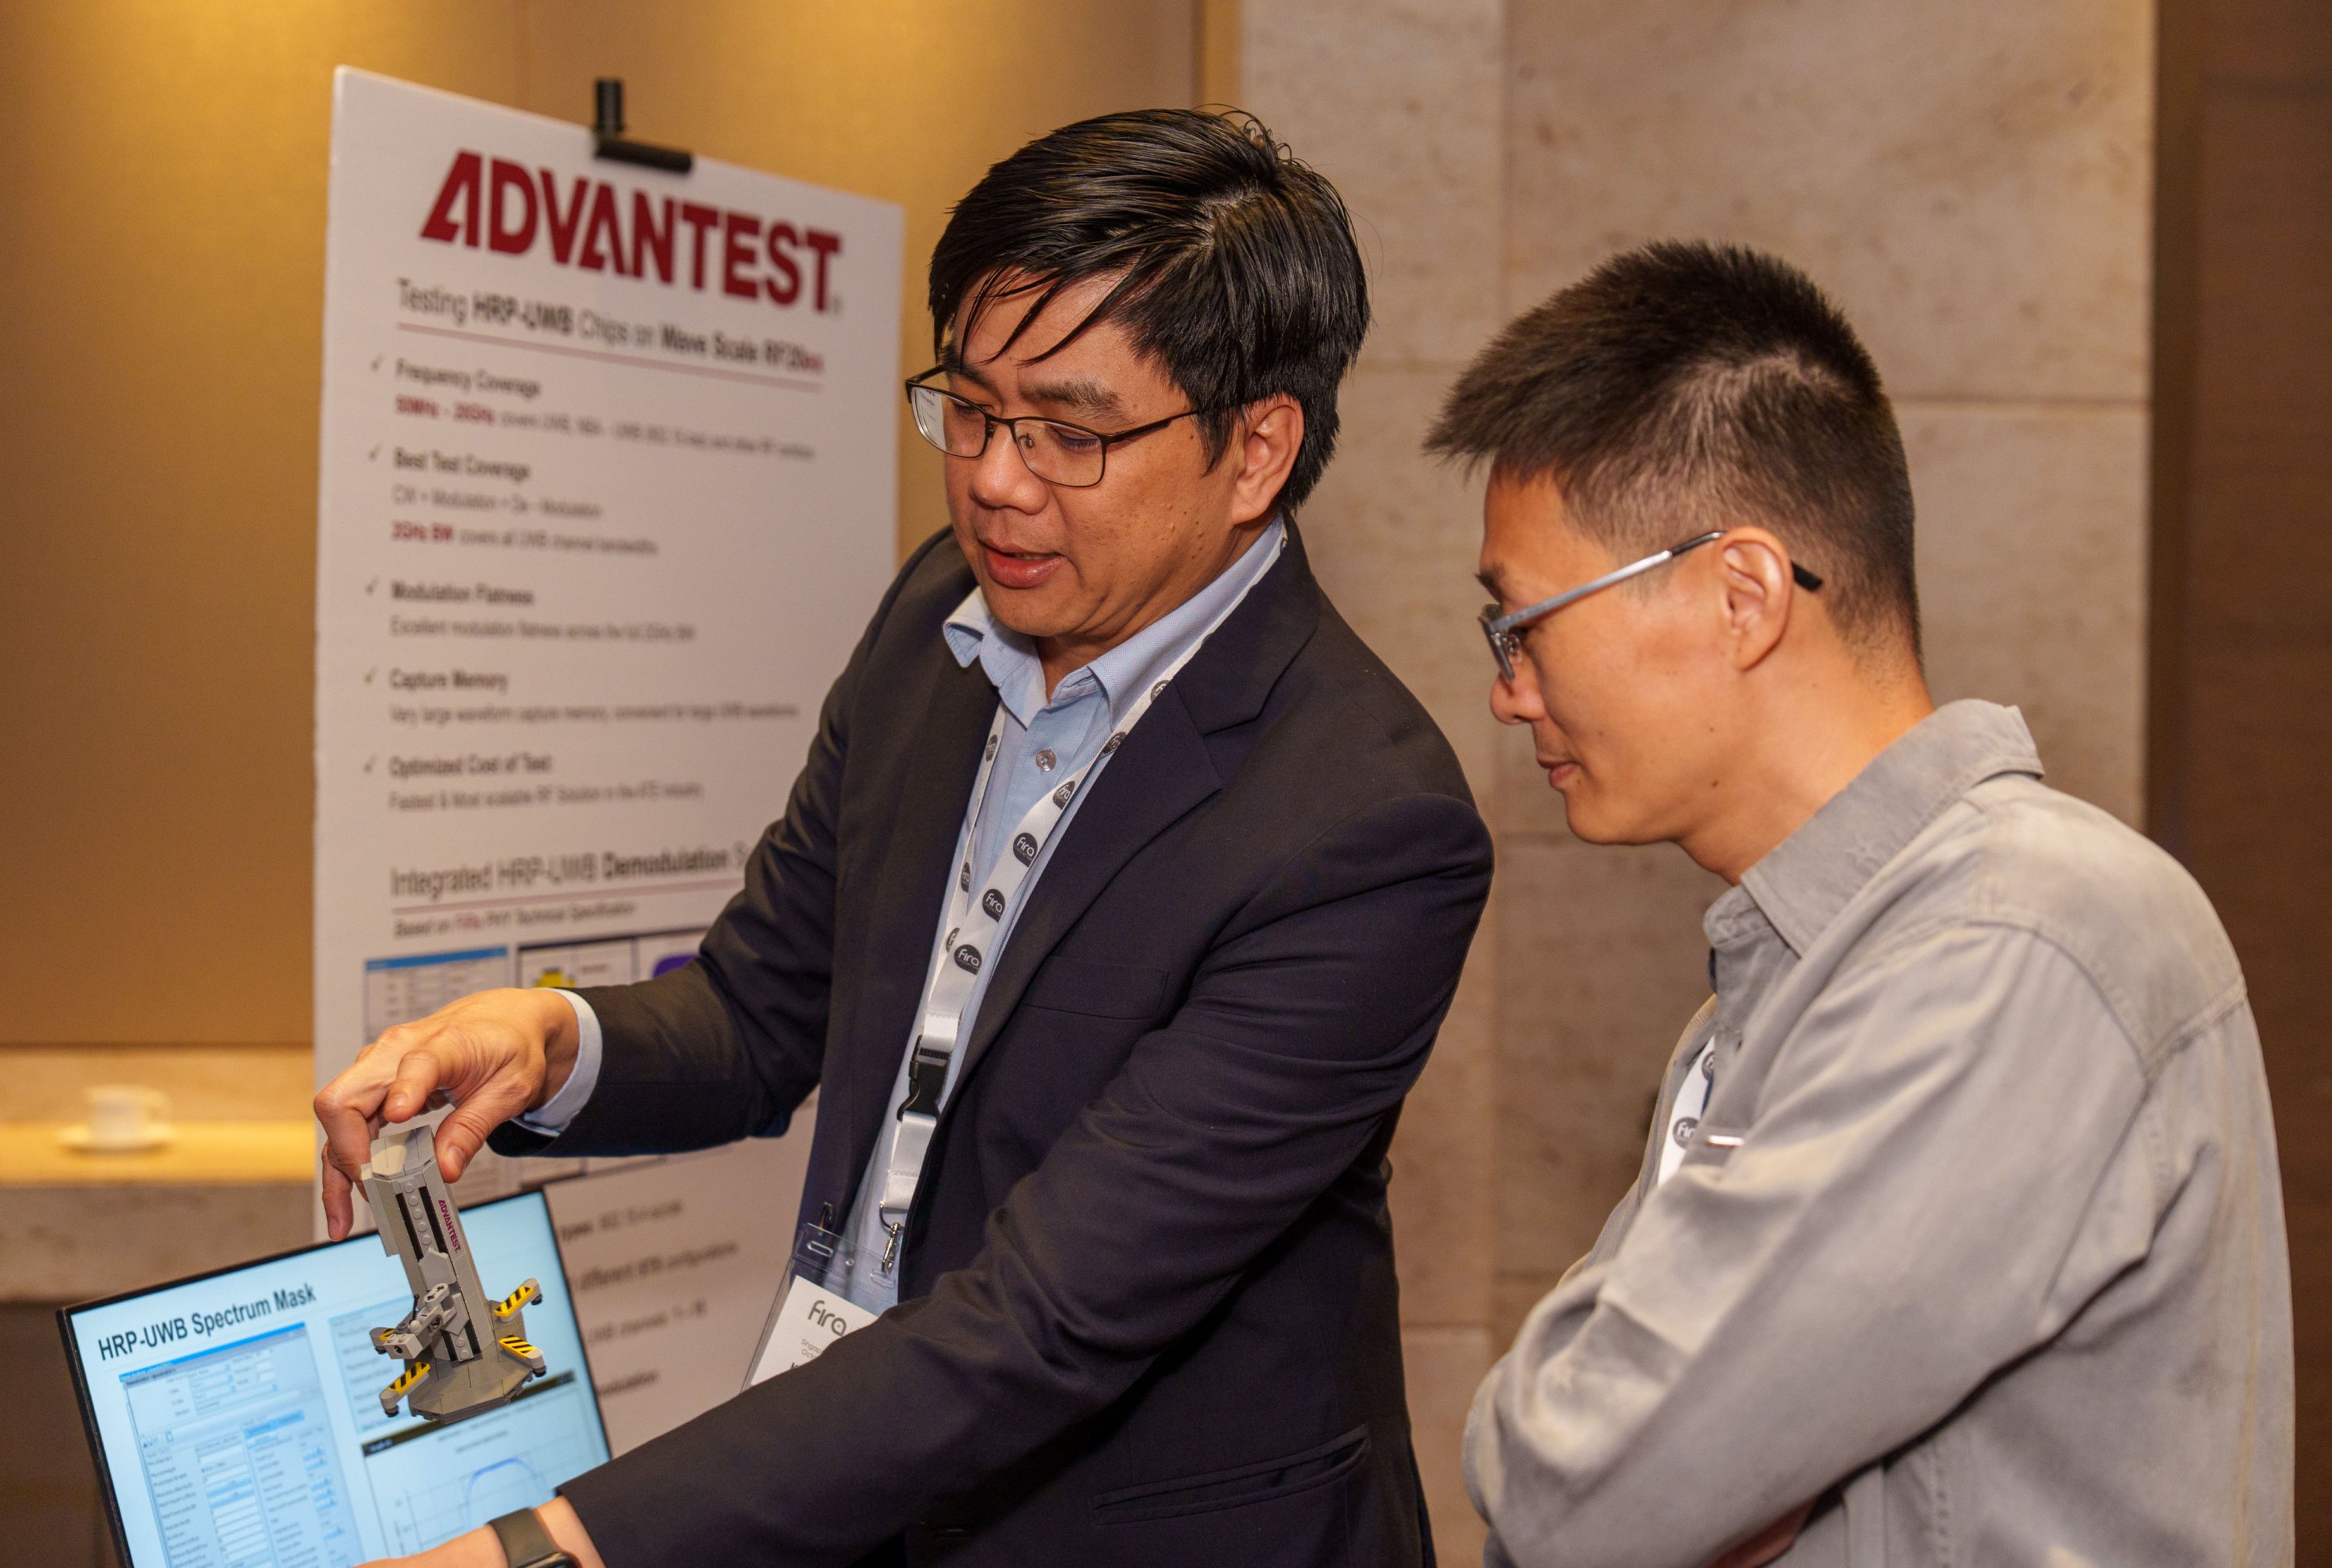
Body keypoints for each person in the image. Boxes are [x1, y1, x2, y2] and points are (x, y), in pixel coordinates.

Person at [316, 109, 1491, 1568]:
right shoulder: (943, 615)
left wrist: (557, 1547)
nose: (996, 479)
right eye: (971, 409)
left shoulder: (1366, 825)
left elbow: (1045, 1316)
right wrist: (552, 1043)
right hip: (864, 1481)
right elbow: (757, 1009)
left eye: (1070, 432)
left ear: (1257, 449)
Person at [1431, 241, 2292, 1566]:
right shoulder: (1811, 965)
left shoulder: (2016, 940)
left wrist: (1639, 1448)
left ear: (1742, 595)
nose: (1509, 692)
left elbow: (1579, 1481)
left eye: (1526, 625)